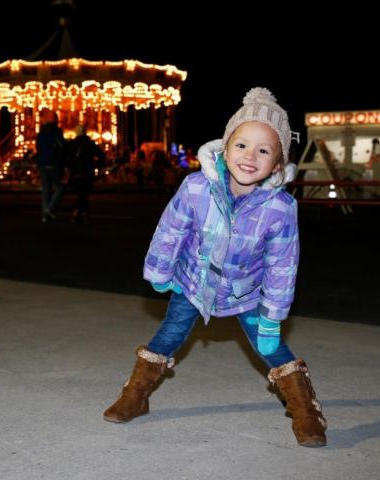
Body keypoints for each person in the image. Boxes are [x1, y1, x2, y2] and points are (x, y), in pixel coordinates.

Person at [103, 87, 327, 448]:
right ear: (225, 147)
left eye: (264, 150)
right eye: (242, 145)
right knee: (169, 333)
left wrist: (272, 314)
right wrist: (160, 271)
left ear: (277, 163)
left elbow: (283, 265)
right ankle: (136, 395)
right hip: (194, 283)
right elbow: (171, 229)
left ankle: (305, 410)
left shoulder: (280, 208)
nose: (250, 156)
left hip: (247, 292)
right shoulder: (195, 188)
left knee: (269, 346)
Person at [68, 125, 104, 224]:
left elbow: (67, 158)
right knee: (83, 194)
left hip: (75, 172)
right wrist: (94, 164)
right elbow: (101, 155)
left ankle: (78, 213)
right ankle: (82, 214)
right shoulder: (90, 143)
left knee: (81, 194)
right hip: (87, 172)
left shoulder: (72, 144)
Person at [35, 110, 66, 223]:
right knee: (60, 188)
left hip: (41, 163)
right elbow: (62, 146)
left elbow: (38, 147)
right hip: (53, 163)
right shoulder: (56, 131)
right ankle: (49, 209)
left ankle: (45, 214)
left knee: (46, 189)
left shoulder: (41, 132)